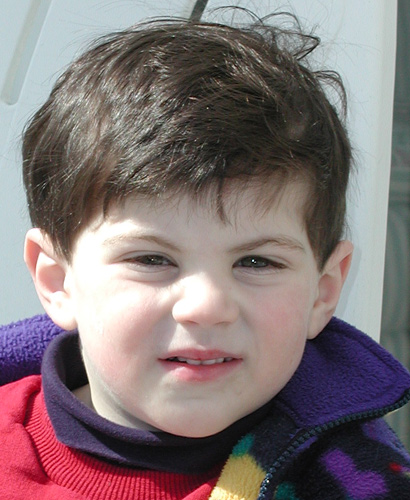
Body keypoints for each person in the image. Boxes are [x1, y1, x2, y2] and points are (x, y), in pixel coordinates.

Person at [1, 13, 410, 499]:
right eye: (152, 259)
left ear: (323, 293)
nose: (207, 306)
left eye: (256, 262)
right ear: (57, 281)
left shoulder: (362, 481)